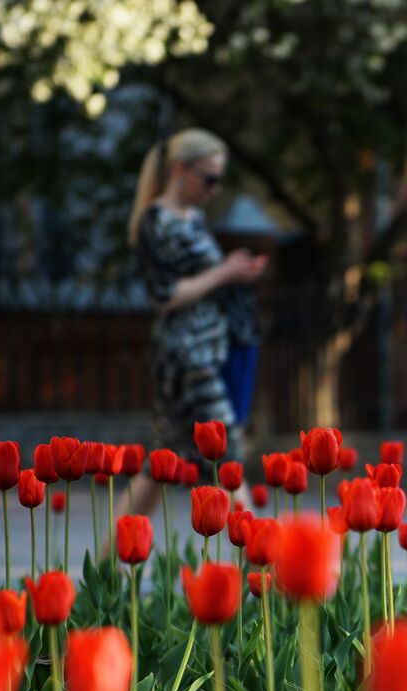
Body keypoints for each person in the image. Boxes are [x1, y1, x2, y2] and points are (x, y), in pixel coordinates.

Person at [124, 128, 266, 518]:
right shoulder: (157, 221)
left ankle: (105, 568)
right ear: (180, 170)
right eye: (209, 178)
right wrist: (224, 273)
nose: (215, 188)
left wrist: (237, 272)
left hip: (209, 347)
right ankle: (262, 564)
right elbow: (164, 295)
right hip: (186, 355)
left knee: (160, 462)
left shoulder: (195, 219)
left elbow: (205, 280)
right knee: (226, 453)